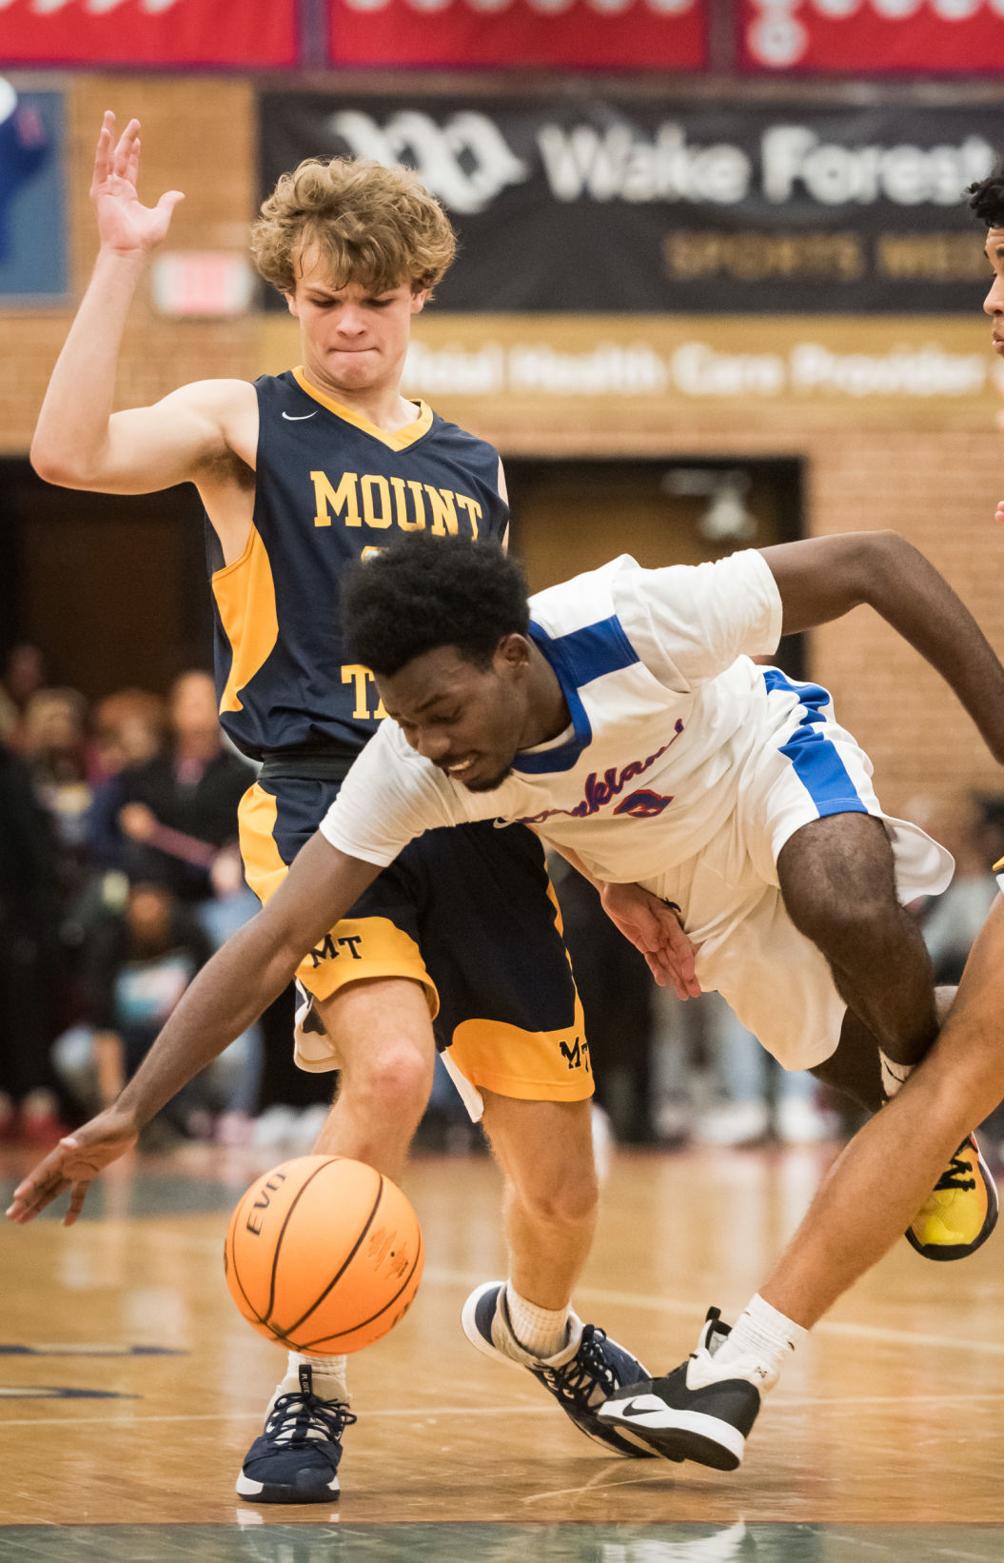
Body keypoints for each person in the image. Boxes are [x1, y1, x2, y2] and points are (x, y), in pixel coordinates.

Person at [10, 524, 1004, 1453]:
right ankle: (995, 1062)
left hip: (765, 765)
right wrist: (130, 1107)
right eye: (408, 723)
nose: (431, 744)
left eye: (443, 711)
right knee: (845, 1059)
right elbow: (277, 936)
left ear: (513, 655)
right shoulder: (414, 768)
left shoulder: (632, 620)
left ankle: (922, 1109)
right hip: (685, 883)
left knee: (844, 901)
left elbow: (874, 560)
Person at [25, 112, 674, 1502]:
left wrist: (606, 861)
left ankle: (545, 1334)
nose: (348, 325)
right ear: (292, 293)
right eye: (323, 300)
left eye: (374, 300)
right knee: (387, 1071)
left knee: (562, 1182)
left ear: (420, 292)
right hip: (324, 799)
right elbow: (68, 454)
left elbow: (513, 700)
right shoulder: (245, 420)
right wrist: (121, 260)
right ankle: (311, 1384)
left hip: (478, 818)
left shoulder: (474, 467)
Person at [586, 144, 1004, 1469]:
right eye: (990, 274)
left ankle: (734, 1372)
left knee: (940, 1078)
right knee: (979, 1038)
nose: (992, 300)